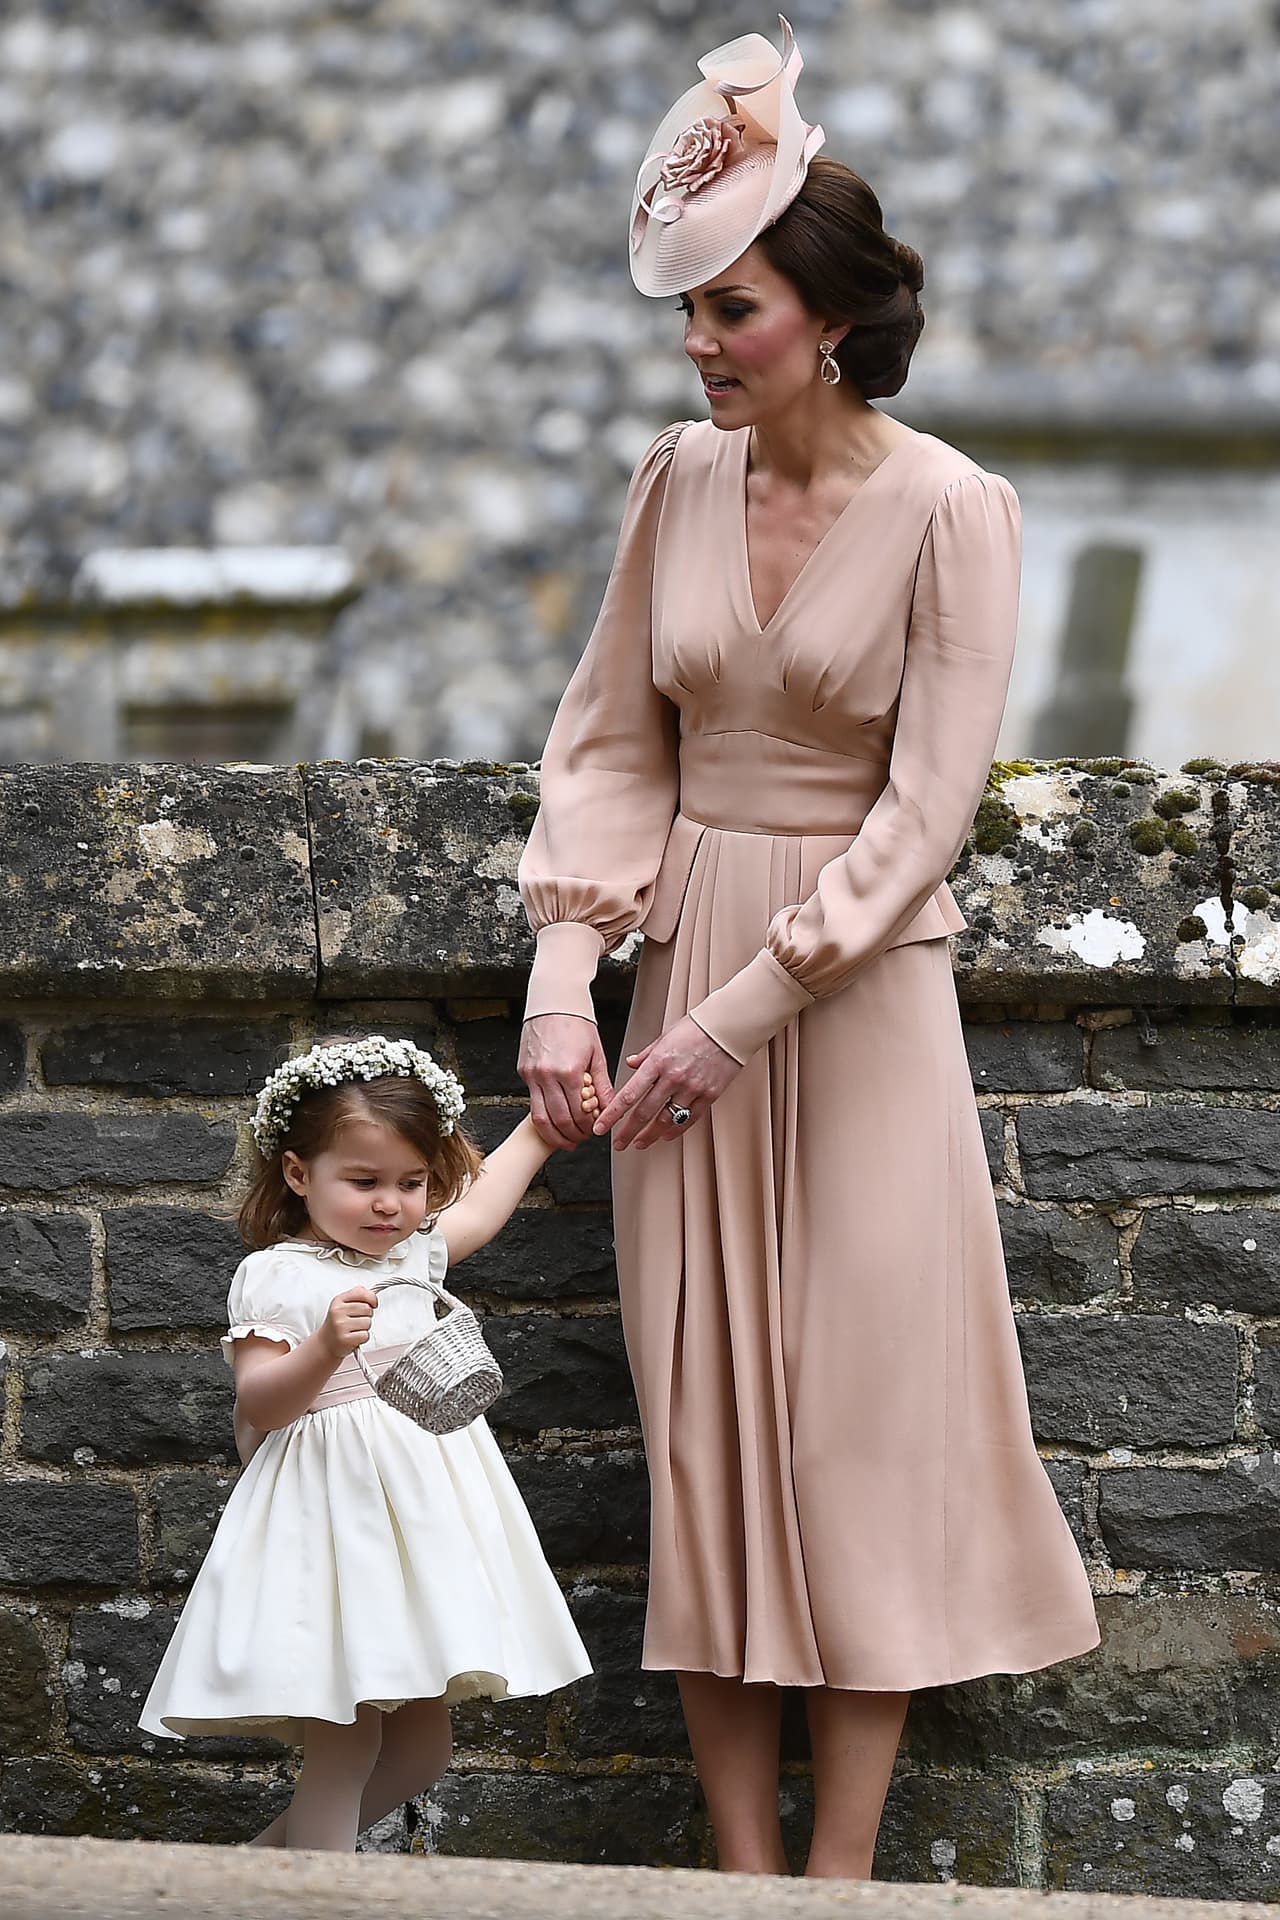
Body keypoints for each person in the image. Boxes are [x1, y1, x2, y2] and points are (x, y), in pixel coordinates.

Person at [517, 16, 1098, 1883]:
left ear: (826, 319)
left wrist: (742, 1013)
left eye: (734, 310)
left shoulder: (954, 512)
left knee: (858, 1430)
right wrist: (564, 977)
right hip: (678, 965)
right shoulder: (671, 485)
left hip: (847, 1013)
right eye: (687, 312)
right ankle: (741, 1876)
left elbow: (926, 812)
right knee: (703, 1430)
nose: (699, 345)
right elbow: (613, 743)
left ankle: (841, 1880)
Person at [139, 1035, 593, 1851]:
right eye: (364, 1182)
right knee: (344, 1745)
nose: (391, 1204)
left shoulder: (418, 1255)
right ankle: (318, 1900)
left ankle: (256, 1873)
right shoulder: (279, 1276)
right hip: (334, 1528)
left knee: (422, 1751)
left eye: (411, 1184)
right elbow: (262, 1405)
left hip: (420, 1529)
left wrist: (542, 1130)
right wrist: (323, 1348)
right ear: (297, 1174)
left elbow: (483, 1207)